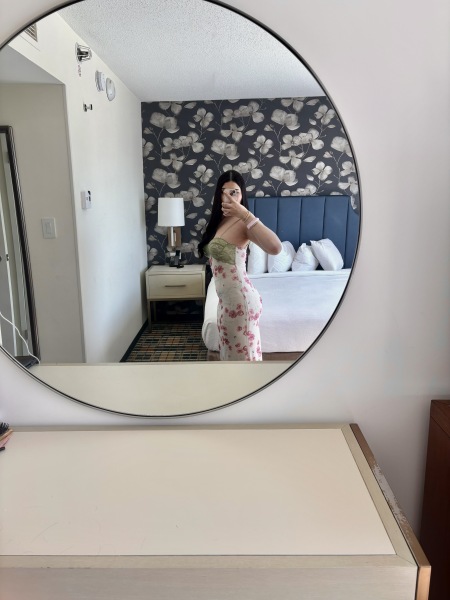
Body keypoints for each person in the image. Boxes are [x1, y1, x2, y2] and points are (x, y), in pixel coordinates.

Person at [198, 170, 282, 361]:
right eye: (224, 192)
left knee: (242, 363)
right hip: (226, 302)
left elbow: (276, 248)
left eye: (234, 192)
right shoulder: (220, 222)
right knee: (232, 361)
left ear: (242, 194)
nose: (229, 197)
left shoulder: (245, 223)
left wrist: (245, 215)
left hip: (240, 302)